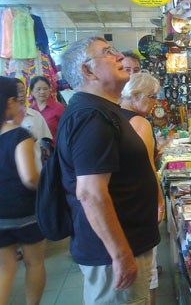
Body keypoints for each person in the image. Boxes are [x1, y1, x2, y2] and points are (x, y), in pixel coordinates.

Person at [59, 36, 160, 304]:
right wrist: (120, 254)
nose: (118, 56)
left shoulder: (103, 110)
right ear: (88, 70)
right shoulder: (91, 116)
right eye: (107, 52)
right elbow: (90, 193)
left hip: (126, 243)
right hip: (113, 252)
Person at [0, 76, 46, 305]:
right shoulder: (19, 135)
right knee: (34, 262)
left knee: (5, 268)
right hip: (25, 211)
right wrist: (45, 188)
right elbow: (29, 177)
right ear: (9, 102)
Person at [120, 71, 165, 305]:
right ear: (135, 95)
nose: (155, 103)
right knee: (147, 276)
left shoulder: (114, 116)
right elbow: (148, 167)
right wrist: (160, 200)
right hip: (140, 204)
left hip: (122, 204)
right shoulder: (140, 122)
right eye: (152, 97)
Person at [14, 79, 52, 171]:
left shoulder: (36, 116)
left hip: (37, 171)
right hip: (12, 175)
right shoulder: (4, 120)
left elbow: (45, 141)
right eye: (16, 90)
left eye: (22, 90)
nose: (20, 94)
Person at [29, 75, 65, 141]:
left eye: (45, 88)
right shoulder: (30, 110)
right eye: (38, 89)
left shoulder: (58, 108)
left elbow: (66, 131)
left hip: (55, 148)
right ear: (32, 92)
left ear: (49, 90)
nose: (42, 92)